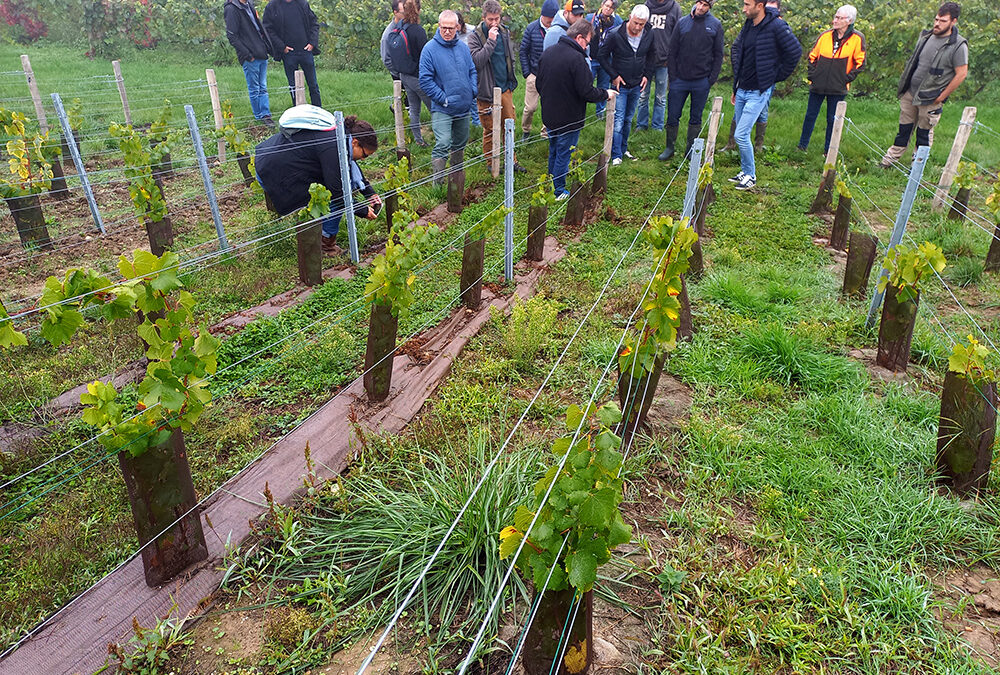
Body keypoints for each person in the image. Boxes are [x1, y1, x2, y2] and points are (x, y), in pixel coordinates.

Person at [254, 106, 381, 255]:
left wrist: (369, 193)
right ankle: (326, 245)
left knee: (332, 188)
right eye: (365, 154)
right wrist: (362, 210)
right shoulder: (333, 148)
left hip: (269, 159)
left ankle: (320, 236)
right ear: (355, 143)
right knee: (334, 198)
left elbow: (350, 166)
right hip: (274, 173)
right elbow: (338, 192)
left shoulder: (341, 135)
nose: (363, 159)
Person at [880, 2, 968, 168]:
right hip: (911, 93)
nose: (937, 23)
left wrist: (941, 96)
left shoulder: (958, 45)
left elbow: (961, 74)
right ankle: (888, 162)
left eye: (942, 21)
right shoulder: (926, 36)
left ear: (953, 21)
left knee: (923, 134)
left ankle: (916, 169)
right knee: (903, 130)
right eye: (936, 19)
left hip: (931, 97)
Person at [729, 0, 801, 190]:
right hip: (743, 88)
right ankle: (744, 171)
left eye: (747, 4)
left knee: (741, 135)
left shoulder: (776, 26)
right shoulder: (748, 24)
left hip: (758, 91)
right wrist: (736, 87)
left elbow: (795, 52)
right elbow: (741, 52)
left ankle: (751, 176)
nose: (743, 9)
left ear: (759, 5)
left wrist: (774, 77)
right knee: (741, 134)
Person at [537, 20, 613, 199]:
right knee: (564, 152)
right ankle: (559, 190)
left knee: (554, 149)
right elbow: (586, 91)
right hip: (570, 117)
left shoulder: (548, 53)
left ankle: (550, 179)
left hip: (549, 114)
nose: (587, 46)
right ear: (579, 37)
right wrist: (605, 94)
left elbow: (539, 84)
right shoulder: (577, 59)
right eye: (587, 42)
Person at [419, 10, 478, 184]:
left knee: (460, 143)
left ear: (457, 28)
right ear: (439, 26)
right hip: (442, 107)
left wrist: (472, 90)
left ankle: (456, 179)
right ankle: (438, 183)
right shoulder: (429, 49)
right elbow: (425, 80)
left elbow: (472, 71)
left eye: (451, 28)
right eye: (444, 28)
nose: (447, 31)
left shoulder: (463, 48)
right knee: (443, 142)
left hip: (463, 106)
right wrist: (443, 98)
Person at [796, 5, 866, 154]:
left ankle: (828, 151)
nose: (835, 20)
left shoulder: (857, 38)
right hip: (818, 85)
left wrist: (845, 79)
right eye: (835, 17)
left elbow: (860, 63)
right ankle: (802, 146)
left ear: (849, 21)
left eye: (839, 18)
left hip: (838, 87)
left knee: (832, 120)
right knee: (810, 116)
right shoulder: (825, 35)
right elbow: (812, 57)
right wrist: (813, 76)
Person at [659, 0, 722, 160]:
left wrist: (711, 79)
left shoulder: (715, 25)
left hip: (701, 80)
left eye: (705, 5)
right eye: (699, 3)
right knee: (673, 115)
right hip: (679, 79)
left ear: (710, 7)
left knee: (696, 116)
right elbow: (672, 51)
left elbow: (718, 54)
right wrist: (672, 77)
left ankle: (690, 149)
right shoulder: (682, 23)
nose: (701, 7)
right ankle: (669, 148)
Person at [468, 0, 524, 171]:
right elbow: (477, 61)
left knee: (508, 125)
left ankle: (511, 161)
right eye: (490, 19)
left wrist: (511, 79)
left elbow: (509, 57)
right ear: (483, 17)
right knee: (490, 129)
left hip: (504, 87)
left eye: (497, 19)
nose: (494, 23)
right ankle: (492, 163)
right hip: (486, 90)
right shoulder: (475, 36)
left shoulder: (505, 33)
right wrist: (491, 41)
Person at [598, 4, 655, 166]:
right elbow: (602, 56)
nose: (637, 27)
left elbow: (652, 54)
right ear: (630, 17)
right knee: (618, 120)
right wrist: (613, 75)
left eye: (641, 24)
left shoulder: (650, 34)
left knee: (629, 119)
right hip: (619, 86)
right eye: (636, 22)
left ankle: (623, 149)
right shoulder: (616, 34)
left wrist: (647, 75)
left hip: (637, 83)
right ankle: (615, 154)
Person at [723, 0, 779, 152]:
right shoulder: (750, 25)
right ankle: (732, 144)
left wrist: (773, 74)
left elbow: (788, 55)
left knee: (762, 110)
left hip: (764, 81)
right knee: (740, 110)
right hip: (745, 80)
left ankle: (758, 146)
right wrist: (739, 68)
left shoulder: (777, 29)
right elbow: (736, 47)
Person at [384, 0, 432, 146]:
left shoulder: (400, 28)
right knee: (435, 109)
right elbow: (425, 56)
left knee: (414, 109)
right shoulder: (418, 31)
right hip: (419, 77)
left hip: (405, 76)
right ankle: (443, 139)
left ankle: (418, 140)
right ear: (418, 11)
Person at [263, 0, 322, 107]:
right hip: (288, 53)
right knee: (293, 87)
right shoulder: (272, 6)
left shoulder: (302, 4)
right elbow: (268, 30)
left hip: (306, 51)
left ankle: (318, 111)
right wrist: (282, 47)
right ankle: (298, 113)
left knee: (313, 85)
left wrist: (312, 43)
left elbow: (314, 23)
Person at [224, 0, 275, 127]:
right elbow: (232, 36)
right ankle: (259, 116)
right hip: (251, 56)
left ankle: (266, 114)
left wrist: (267, 47)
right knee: (255, 88)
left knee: (263, 87)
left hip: (262, 52)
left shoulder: (249, 5)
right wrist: (247, 55)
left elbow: (258, 29)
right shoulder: (232, 9)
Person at [636, 0, 680, 131]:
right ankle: (641, 124)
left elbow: (677, 34)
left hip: (664, 61)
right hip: (646, 59)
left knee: (660, 97)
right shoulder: (646, 6)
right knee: (643, 94)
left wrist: (673, 57)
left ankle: (657, 126)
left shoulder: (675, 8)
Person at [521, 0, 558, 138]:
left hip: (551, 75)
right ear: (543, 15)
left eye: (553, 19)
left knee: (549, 106)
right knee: (530, 108)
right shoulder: (531, 28)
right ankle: (526, 131)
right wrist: (527, 73)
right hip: (534, 74)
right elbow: (523, 51)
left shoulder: (558, 30)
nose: (551, 22)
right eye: (549, 19)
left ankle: (545, 133)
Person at [587, 0, 623, 119]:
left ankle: (600, 112)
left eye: (611, 7)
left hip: (606, 60)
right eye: (606, 6)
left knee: (603, 85)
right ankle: (580, 108)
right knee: (586, 83)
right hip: (591, 57)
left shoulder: (617, 21)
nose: (608, 9)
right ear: (602, 5)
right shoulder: (590, 18)